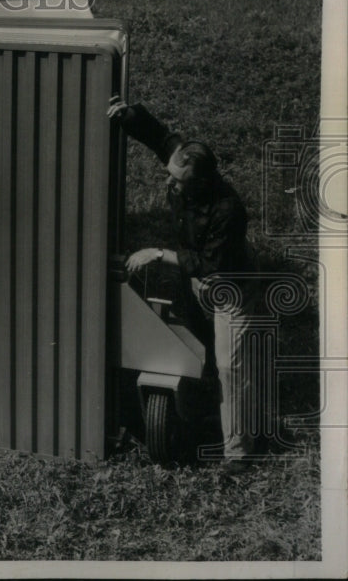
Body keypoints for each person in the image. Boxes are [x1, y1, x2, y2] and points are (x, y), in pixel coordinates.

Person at [107, 94, 259, 472]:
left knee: (231, 367)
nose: (169, 183)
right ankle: (203, 406)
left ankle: (238, 454)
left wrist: (158, 254)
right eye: (170, 174)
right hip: (195, 285)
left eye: (178, 181)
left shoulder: (229, 210)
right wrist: (130, 114)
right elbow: (160, 137)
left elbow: (209, 263)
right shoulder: (182, 160)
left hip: (228, 290)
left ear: (203, 182)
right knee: (197, 350)